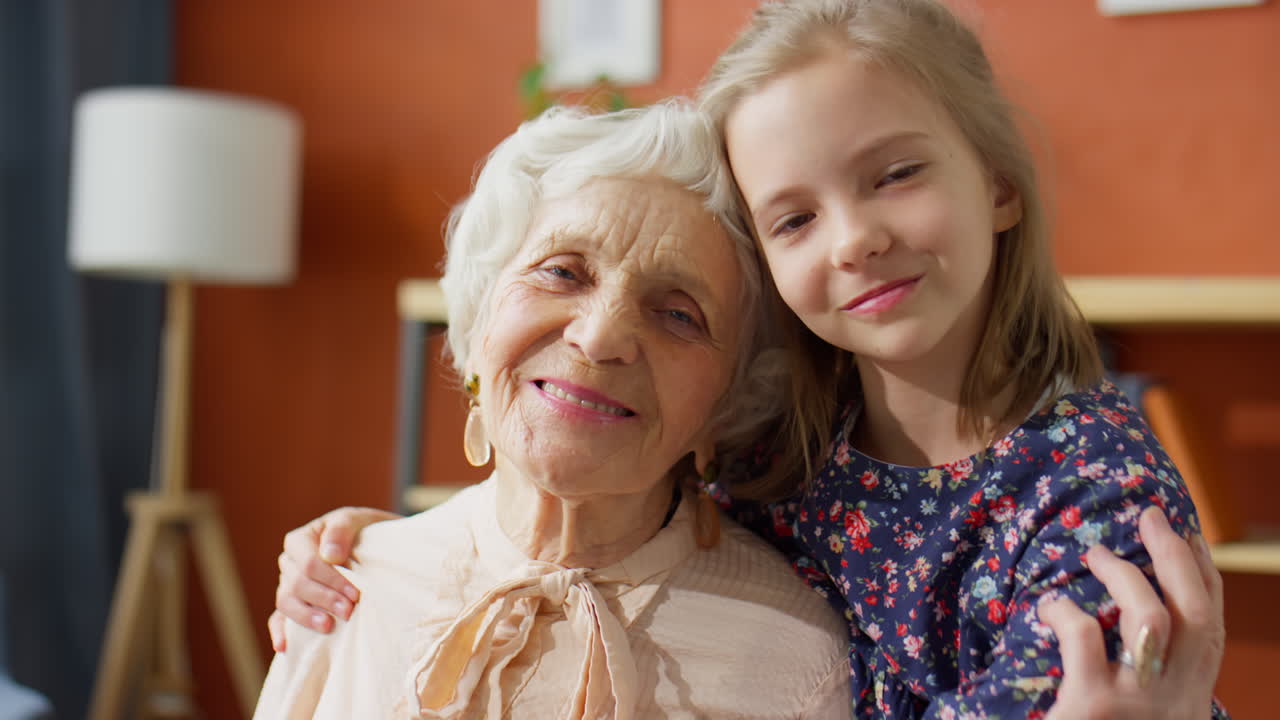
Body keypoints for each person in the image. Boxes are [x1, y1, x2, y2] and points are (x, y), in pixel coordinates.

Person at [273, 0, 1228, 717]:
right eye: (796, 218)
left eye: (896, 174)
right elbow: (596, 499)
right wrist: (377, 549)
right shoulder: (775, 456)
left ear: (1001, 185)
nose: (853, 241)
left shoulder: (1094, 491)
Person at [253, 100, 856, 718]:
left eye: (678, 314)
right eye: (563, 272)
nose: (599, 338)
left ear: (729, 403)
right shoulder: (342, 588)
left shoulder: (795, 660)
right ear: (481, 317)